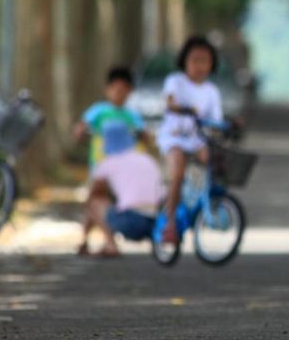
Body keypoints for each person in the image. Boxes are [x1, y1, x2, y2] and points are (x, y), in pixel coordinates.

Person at [157, 35, 224, 245]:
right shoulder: (175, 81)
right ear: (185, 61)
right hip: (174, 137)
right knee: (177, 173)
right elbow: (170, 102)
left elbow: (216, 120)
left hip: (197, 140)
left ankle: (207, 206)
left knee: (214, 164)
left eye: (204, 61)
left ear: (211, 64)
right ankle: (170, 224)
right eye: (195, 60)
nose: (200, 66)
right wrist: (183, 109)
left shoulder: (212, 91)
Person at [80, 123, 166, 257]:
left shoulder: (108, 163)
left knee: (94, 203)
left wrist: (84, 237)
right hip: (158, 221)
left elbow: (93, 195)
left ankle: (110, 245)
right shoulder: (146, 158)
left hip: (131, 222)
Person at [73, 66, 148, 175]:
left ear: (130, 91)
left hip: (125, 165)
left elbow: (143, 135)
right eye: (114, 88)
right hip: (100, 161)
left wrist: (143, 136)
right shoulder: (98, 111)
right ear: (107, 90)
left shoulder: (133, 115)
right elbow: (83, 125)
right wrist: (80, 131)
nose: (117, 92)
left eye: (122, 89)